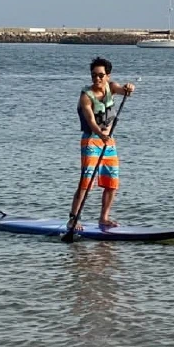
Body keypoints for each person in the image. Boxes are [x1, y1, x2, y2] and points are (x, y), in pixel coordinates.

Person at [68, 57, 135, 231]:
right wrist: (100, 134)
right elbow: (90, 120)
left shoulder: (110, 87)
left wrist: (128, 88)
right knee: (86, 181)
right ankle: (73, 219)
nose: (97, 79)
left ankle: (104, 218)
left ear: (107, 75)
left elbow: (123, 90)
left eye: (100, 75)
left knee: (112, 182)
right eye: (94, 76)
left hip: (109, 142)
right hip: (91, 140)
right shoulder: (86, 96)